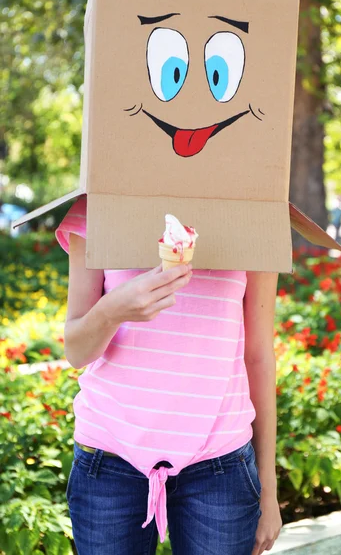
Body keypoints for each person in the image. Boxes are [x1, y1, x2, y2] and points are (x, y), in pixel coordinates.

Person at [56, 194, 282, 555]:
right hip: (110, 460)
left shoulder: (254, 213)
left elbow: (257, 355)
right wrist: (112, 311)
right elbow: (76, 350)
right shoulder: (96, 206)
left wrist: (268, 492)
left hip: (220, 467)